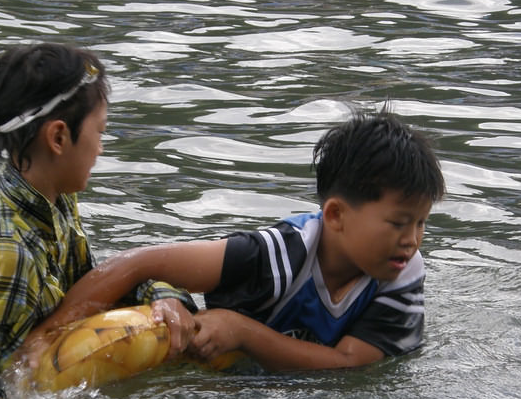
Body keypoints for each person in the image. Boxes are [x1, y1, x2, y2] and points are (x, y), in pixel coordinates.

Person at [38, 110, 446, 373]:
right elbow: (138, 262)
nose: (411, 241)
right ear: (336, 215)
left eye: (421, 224)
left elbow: (350, 363)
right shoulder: (276, 254)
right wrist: (46, 338)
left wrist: (242, 331)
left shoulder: (402, 274)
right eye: (397, 223)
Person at [0, 43, 196, 399]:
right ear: (59, 137)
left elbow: (92, 288)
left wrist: (163, 295)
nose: (101, 148)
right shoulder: (6, 248)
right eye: (100, 131)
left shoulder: (57, 201)